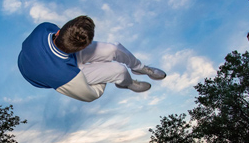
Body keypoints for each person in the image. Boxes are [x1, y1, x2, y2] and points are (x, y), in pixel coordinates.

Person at [18, 15, 166, 102]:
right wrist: (104, 72)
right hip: (52, 73)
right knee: (118, 70)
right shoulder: (64, 77)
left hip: (54, 59)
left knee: (114, 49)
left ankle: (139, 68)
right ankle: (126, 83)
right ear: (81, 49)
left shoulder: (45, 28)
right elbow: (92, 95)